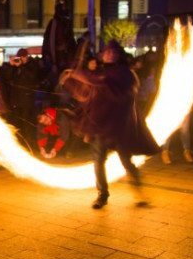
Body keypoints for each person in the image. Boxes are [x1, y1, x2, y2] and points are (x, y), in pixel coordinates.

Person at [67, 40, 159, 209]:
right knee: (98, 161)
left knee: (126, 162)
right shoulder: (103, 73)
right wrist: (72, 78)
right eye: (107, 51)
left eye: (114, 52)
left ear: (119, 55)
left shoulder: (125, 74)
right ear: (103, 55)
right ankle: (102, 195)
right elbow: (88, 95)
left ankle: (139, 193)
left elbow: (102, 84)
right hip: (101, 127)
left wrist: (78, 71)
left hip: (119, 128)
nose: (110, 54)